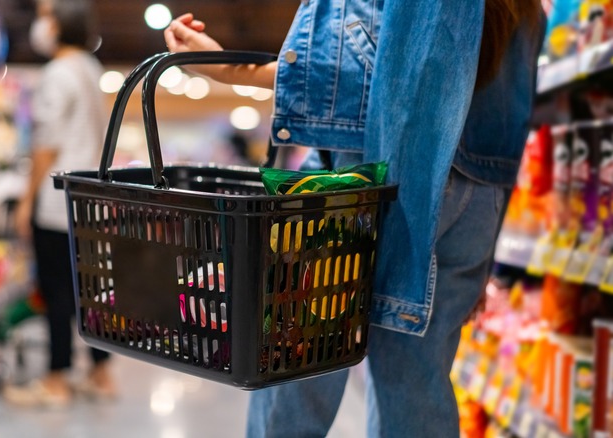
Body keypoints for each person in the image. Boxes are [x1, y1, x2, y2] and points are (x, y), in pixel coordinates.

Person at [164, 1, 545, 437]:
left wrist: (229, 70)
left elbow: (367, 74)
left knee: (298, 366)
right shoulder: (528, 9)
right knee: (416, 382)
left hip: (364, 179)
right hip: (475, 197)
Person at [5, 0, 116, 407]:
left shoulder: (56, 73)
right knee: (87, 288)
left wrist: (26, 201)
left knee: (56, 292)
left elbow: (46, 146)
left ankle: (55, 378)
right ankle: (101, 372)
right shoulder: (91, 69)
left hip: (57, 200)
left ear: (62, 23)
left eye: (48, 16)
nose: (41, 24)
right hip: (90, 201)